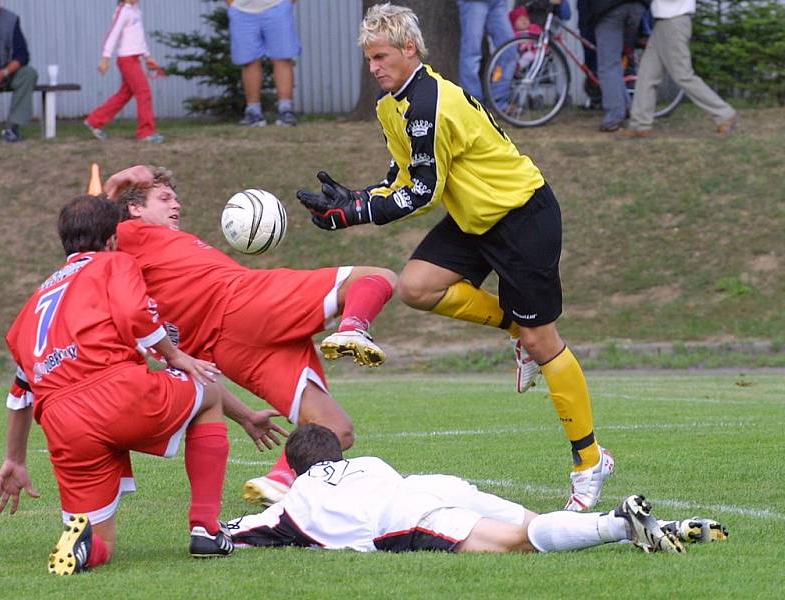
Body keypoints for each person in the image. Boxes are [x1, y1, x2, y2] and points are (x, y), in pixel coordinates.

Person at [298, 3, 611, 512]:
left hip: (523, 216)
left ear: (410, 50)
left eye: (381, 56)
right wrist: (356, 197)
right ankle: (517, 331)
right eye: (368, 58)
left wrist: (358, 214)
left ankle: (590, 460)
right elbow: (401, 177)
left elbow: (422, 191)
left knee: (544, 339)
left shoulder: (431, 104)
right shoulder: (389, 106)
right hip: (475, 218)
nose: (374, 67)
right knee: (417, 286)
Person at [0, 195, 277, 574]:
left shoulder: (34, 302)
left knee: (101, 541)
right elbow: (133, 312)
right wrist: (175, 356)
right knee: (205, 389)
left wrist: (15, 459)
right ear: (111, 240)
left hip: (62, 422)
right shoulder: (114, 262)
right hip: (115, 391)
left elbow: (20, 394)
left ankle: (82, 547)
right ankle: (206, 527)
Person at [98, 164, 397, 507]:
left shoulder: (145, 270)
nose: (176, 205)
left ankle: (279, 482)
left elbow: (199, 376)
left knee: (336, 428)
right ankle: (353, 329)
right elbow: (87, 227)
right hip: (243, 303)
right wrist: (113, 186)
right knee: (378, 277)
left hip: (231, 349)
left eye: (176, 199)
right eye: (164, 198)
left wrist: (245, 416)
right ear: (135, 208)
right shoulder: (132, 232)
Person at [228, 424, 728, 555]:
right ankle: (655, 528)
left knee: (516, 543)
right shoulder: (368, 460)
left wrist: (223, 528)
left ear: (293, 471)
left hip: (398, 516)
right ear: (338, 452)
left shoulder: (293, 503)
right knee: (533, 522)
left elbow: (232, 531)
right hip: (429, 486)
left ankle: (619, 523)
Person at [621, 0, 739, 138]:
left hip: (674, 21)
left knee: (683, 75)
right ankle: (639, 125)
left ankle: (725, 114)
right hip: (663, 23)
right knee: (646, 76)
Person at [84, 0, 165, 143]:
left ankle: (94, 120)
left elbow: (139, 38)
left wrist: (147, 56)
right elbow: (112, 34)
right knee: (143, 92)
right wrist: (105, 57)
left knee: (124, 94)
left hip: (135, 58)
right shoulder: (123, 11)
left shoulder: (135, 11)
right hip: (127, 60)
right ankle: (145, 132)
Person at [227, 0, 300, 127]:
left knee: (282, 58)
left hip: (277, 7)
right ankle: (253, 112)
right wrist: (233, 4)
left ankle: (286, 110)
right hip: (241, 10)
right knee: (249, 61)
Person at [585, 0, 650, 132]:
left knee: (608, 65)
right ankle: (626, 107)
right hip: (637, 6)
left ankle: (614, 118)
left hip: (609, 7)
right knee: (615, 63)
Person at [0, 0, 38, 143]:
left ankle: (12, 130)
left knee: (28, 74)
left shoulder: (10, 20)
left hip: (2, 76)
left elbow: (22, 55)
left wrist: (1, 74)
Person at [456, 0, 513, 104]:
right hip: (473, 3)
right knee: (472, 53)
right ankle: (473, 103)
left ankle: (498, 101)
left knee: (509, 51)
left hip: (498, 3)